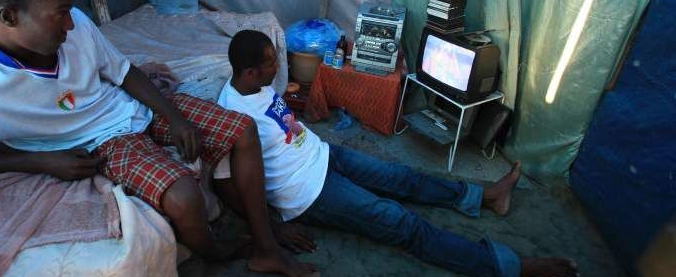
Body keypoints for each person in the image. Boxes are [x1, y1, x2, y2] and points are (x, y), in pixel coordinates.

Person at [0, 0, 315, 277]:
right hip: (101, 141)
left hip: (131, 108)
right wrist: (40, 160)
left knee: (241, 129)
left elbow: (124, 73)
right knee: (185, 197)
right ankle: (214, 251)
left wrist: (174, 117)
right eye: (61, 13)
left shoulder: (78, 28)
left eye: (71, 10)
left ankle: (266, 245)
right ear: (8, 17)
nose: (72, 24)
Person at [218, 30, 580, 277]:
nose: (277, 65)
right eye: (269, 63)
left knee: (403, 177)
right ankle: (511, 266)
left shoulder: (259, 87)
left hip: (326, 155)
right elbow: (227, 184)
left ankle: (483, 195)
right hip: (310, 193)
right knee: (400, 222)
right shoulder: (231, 115)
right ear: (250, 71)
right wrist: (273, 226)